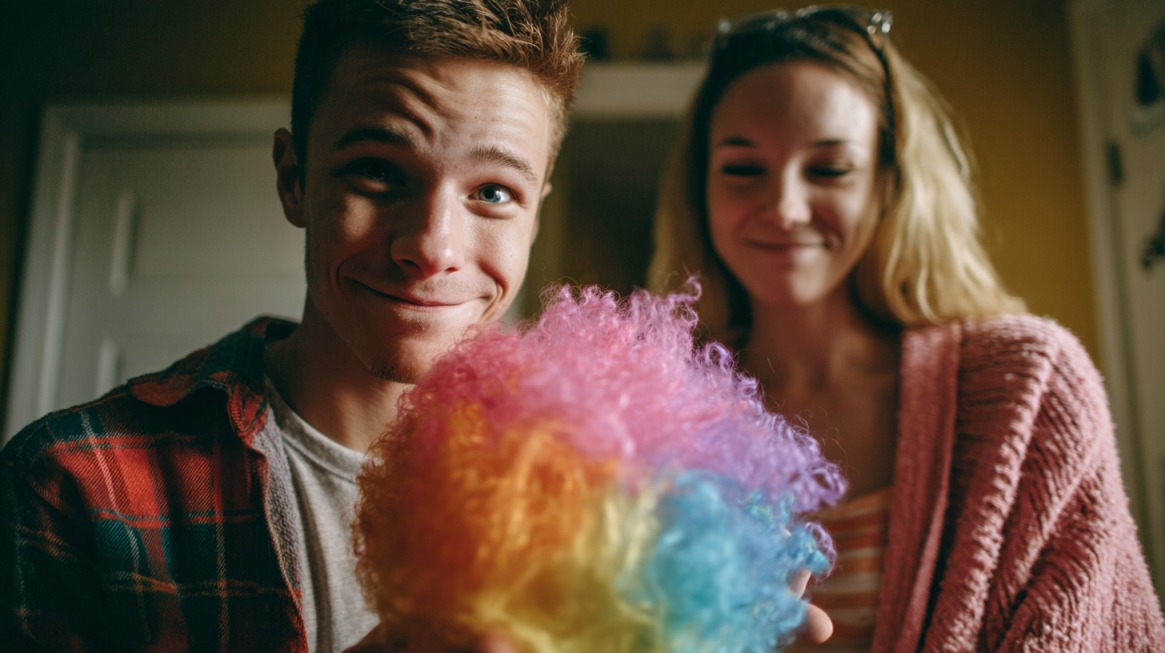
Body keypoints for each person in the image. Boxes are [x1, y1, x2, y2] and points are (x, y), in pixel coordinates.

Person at [0, 1, 583, 650]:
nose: (431, 245)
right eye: (378, 169)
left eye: (494, 192)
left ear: (533, 218)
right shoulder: (69, 482)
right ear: (293, 177)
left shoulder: (599, 489)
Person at [649, 5, 1165, 652]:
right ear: (698, 187)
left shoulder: (1029, 389)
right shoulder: (647, 409)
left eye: (829, 169)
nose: (783, 206)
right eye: (742, 168)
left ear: (888, 185)